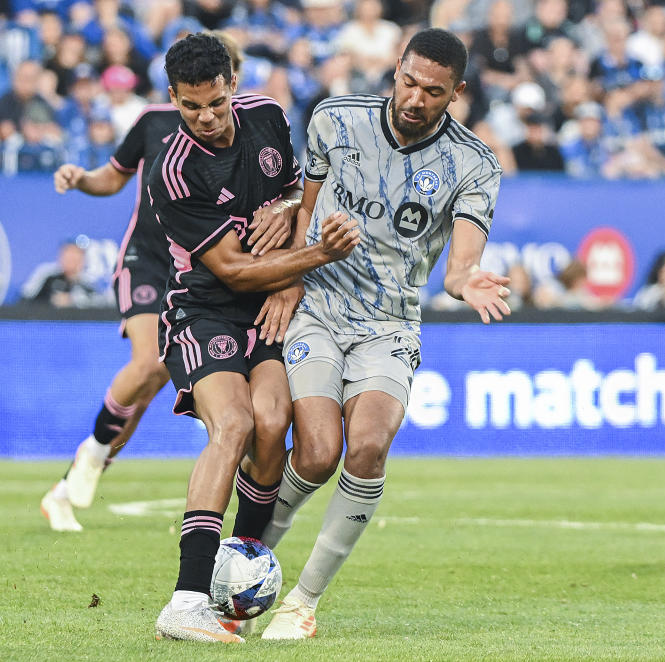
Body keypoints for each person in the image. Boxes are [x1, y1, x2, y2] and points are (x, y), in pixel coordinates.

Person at [254, 28, 511, 640]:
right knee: (315, 453)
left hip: (390, 322)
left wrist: (467, 280)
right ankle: (246, 556)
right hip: (318, 305)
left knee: (366, 445)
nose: (416, 99)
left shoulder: (474, 163)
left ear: (457, 93)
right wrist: (288, 281)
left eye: (433, 91)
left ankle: (302, 603)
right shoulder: (334, 119)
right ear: (396, 69)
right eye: (409, 82)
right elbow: (305, 207)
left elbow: (458, 269)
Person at [147, 33, 360, 644]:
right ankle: (185, 602)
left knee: (272, 422)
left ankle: (235, 576)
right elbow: (234, 270)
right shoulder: (175, 168)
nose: (205, 118)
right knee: (235, 425)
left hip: (268, 308)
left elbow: (299, 191)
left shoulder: (268, 117)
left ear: (232, 86)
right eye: (190, 107)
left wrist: (291, 204)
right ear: (173, 99)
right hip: (203, 312)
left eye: (214, 102)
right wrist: (316, 255)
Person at [41, 33, 250, 534]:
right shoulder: (154, 123)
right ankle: (92, 451)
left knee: (153, 383)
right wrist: (80, 177)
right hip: (149, 259)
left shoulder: (249, 133)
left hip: (197, 268)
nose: (208, 107)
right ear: (178, 91)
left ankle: (70, 483)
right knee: (149, 362)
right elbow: (112, 178)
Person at [21, 239, 106, 308]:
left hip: (77, 326)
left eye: (76, 256)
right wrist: (51, 302)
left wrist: (73, 301)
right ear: (61, 257)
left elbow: (102, 305)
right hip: (45, 324)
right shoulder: (47, 275)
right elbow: (25, 300)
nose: (72, 260)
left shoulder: (87, 283)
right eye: (69, 255)